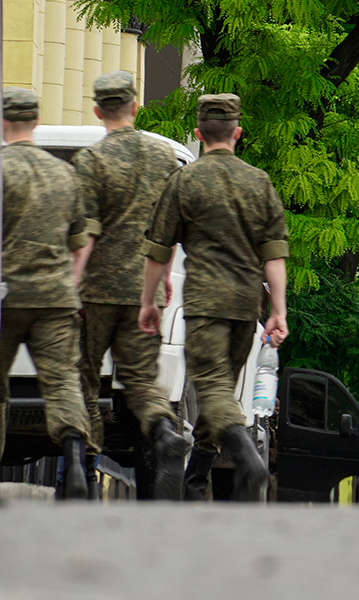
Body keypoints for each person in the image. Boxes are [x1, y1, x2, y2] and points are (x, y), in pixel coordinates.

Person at [138, 93, 289, 502]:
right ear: (238, 133)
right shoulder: (259, 182)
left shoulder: (185, 181)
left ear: (198, 134)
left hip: (204, 305)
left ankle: (246, 456)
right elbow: (274, 255)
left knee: (212, 390)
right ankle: (194, 482)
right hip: (245, 308)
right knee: (218, 393)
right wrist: (278, 312)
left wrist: (148, 302)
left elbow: (158, 250)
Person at [69, 71, 192, 500]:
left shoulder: (91, 160)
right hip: (146, 288)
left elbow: (86, 231)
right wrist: (164, 284)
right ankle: (162, 430)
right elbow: (170, 227)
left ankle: (82, 467)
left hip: (97, 291)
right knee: (141, 382)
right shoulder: (163, 156)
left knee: (84, 379)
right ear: (136, 107)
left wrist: (74, 282)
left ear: (99, 110)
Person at [0, 88, 96, 499]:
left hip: (6, 296)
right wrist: (71, 283)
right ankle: (75, 453)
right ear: (35, 122)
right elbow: (81, 241)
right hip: (56, 297)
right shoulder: (65, 174)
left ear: (5, 122)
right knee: (61, 382)